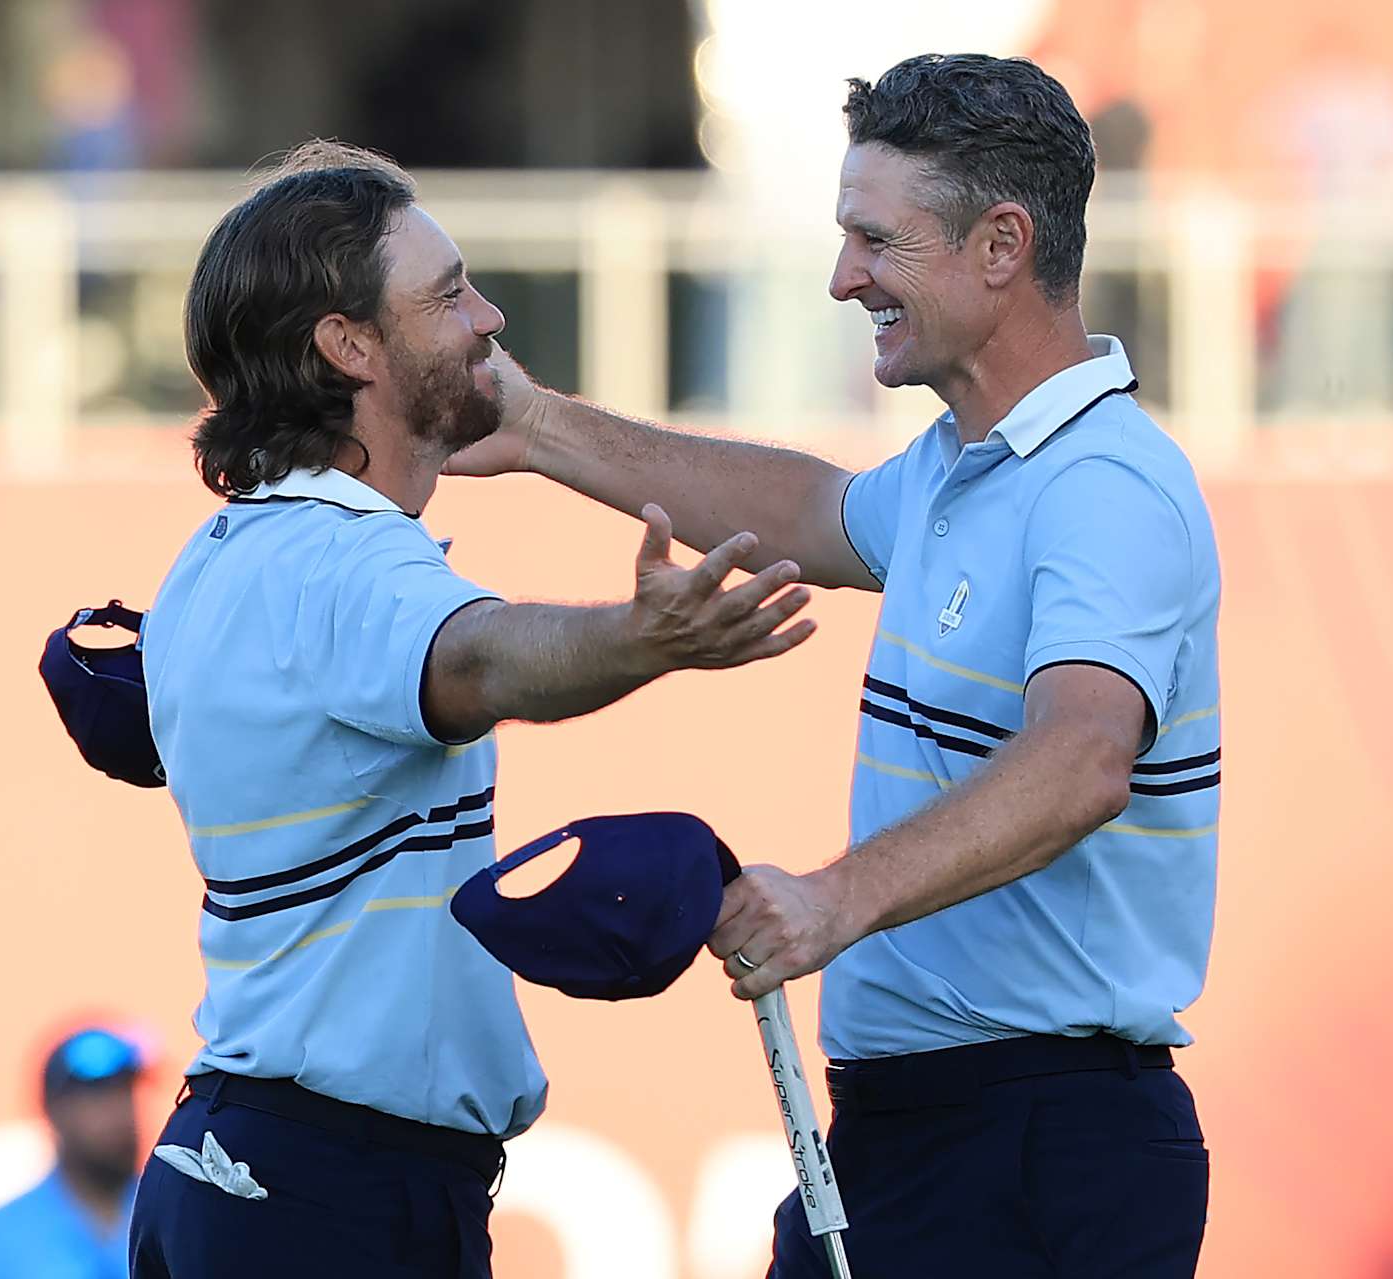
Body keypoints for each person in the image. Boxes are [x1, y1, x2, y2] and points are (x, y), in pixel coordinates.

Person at [450, 54, 1220, 1277]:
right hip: (931, 1131)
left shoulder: (1105, 483)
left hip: (1033, 1137)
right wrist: (543, 427)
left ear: (1002, 246)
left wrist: (833, 899)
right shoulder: (970, 462)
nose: (842, 277)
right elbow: (810, 511)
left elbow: (1083, 759)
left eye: (876, 240)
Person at [125, 141, 813, 1279]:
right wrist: (646, 636)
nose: (486, 316)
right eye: (446, 294)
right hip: (329, 1197)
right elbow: (476, 659)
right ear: (348, 346)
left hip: (267, 1173)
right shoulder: (342, 562)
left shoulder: (241, 548)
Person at [0, 1027, 144, 1279]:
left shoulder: (178, 1215)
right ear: (53, 1110)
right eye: (97, 1096)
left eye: (125, 1090)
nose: (118, 1112)